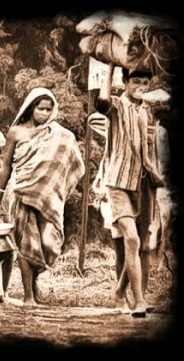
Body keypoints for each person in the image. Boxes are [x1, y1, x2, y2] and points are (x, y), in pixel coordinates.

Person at [0, 87, 84, 306]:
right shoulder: (16, 132)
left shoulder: (59, 134)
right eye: (40, 109)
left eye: (49, 110)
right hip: (21, 193)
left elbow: (68, 159)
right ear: (31, 108)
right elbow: (5, 168)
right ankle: (28, 295)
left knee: (49, 244)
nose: (44, 113)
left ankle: (35, 281)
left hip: (47, 198)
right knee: (25, 245)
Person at [93, 66, 164, 317]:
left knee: (140, 244)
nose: (140, 87)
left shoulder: (147, 110)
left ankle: (120, 291)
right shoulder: (118, 105)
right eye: (135, 81)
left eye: (145, 83)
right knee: (131, 239)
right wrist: (111, 68)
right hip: (118, 182)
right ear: (125, 82)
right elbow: (101, 104)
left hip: (144, 183)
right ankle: (140, 300)